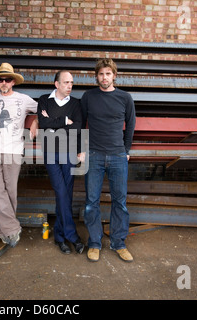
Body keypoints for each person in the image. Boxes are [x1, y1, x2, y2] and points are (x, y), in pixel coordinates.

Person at [81, 58, 136, 263]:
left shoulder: (124, 98)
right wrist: (82, 150)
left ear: (114, 75)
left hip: (117, 156)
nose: (104, 77)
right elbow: (80, 123)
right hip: (94, 155)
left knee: (119, 202)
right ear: (96, 76)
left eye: (108, 73)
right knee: (91, 202)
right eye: (101, 74)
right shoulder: (88, 97)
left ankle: (118, 242)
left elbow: (130, 124)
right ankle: (94, 243)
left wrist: (126, 149)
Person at [0, 62, 38, 247]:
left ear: (13, 81)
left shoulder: (24, 99)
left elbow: (45, 109)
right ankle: (13, 229)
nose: (4, 82)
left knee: (10, 193)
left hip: (13, 151)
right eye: (1, 79)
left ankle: (3, 232)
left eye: (7, 79)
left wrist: (36, 121)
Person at [37, 70, 84, 255]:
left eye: (71, 82)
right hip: (51, 153)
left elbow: (78, 127)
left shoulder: (76, 104)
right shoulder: (44, 100)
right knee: (61, 191)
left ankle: (60, 237)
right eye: (66, 82)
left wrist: (53, 122)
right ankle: (73, 236)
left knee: (66, 194)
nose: (70, 86)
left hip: (70, 152)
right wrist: (64, 120)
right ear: (56, 84)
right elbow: (43, 124)